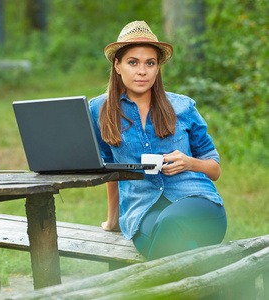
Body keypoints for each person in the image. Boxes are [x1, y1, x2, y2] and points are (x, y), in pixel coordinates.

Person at [89, 21, 227, 261]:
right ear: (117, 65)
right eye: (133, 62)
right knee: (187, 250)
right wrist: (113, 220)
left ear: (157, 68)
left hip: (197, 204)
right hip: (143, 212)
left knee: (170, 223)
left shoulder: (182, 106)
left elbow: (214, 169)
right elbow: (111, 169)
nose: (142, 71)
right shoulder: (99, 109)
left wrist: (189, 163)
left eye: (150, 63)